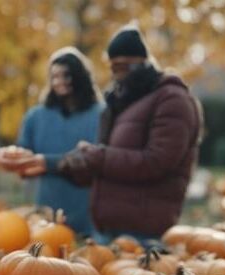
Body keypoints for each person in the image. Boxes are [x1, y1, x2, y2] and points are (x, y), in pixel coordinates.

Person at [26, 25, 202, 243]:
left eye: (122, 66)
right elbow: (106, 164)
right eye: (112, 67)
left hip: (145, 231)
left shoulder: (172, 100)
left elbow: (158, 162)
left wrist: (97, 156)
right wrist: (72, 162)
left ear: (143, 62)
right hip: (109, 229)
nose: (117, 74)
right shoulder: (122, 103)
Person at [14, 47, 103, 237]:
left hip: (87, 212)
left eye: (66, 76)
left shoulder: (101, 115)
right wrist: (14, 159)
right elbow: (23, 160)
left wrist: (45, 163)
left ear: (80, 77)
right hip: (47, 212)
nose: (59, 82)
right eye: (54, 76)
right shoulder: (35, 116)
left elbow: (97, 160)